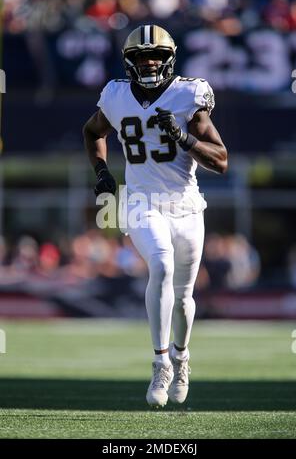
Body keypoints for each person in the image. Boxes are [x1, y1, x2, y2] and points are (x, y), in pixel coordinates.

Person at [83, 24, 228, 408]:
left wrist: (184, 138)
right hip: (140, 200)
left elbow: (221, 161)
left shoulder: (188, 94)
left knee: (183, 297)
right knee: (160, 264)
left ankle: (182, 358)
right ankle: (160, 361)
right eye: (141, 57)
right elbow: (92, 131)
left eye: (156, 57)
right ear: (128, 62)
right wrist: (102, 172)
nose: (149, 63)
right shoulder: (115, 95)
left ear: (169, 60)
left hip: (185, 205)